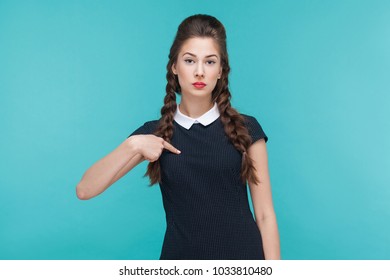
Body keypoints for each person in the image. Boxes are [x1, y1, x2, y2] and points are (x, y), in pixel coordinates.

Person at [76, 14, 280, 260]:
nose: (199, 72)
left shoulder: (247, 128)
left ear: (221, 71)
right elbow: (85, 189)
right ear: (174, 67)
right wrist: (132, 145)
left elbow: (265, 214)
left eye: (210, 62)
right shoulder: (155, 134)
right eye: (190, 60)